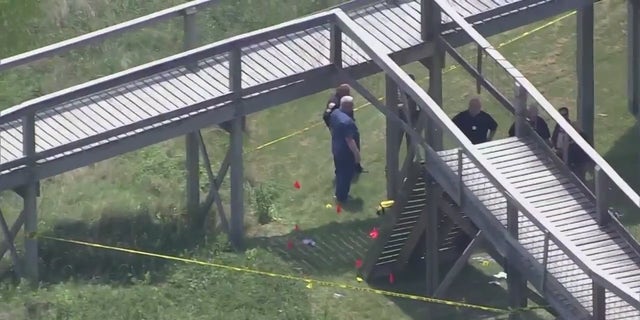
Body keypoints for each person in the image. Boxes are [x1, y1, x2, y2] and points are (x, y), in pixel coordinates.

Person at [330, 96, 362, 204]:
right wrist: (357, 156)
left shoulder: (335, 114)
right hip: (346, 153)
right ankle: (342, 197)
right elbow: (350, 140)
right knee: (346, 175)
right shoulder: (347, 122)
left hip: (336, 148)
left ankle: (339, 193)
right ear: (350, 106)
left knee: (340, 171)